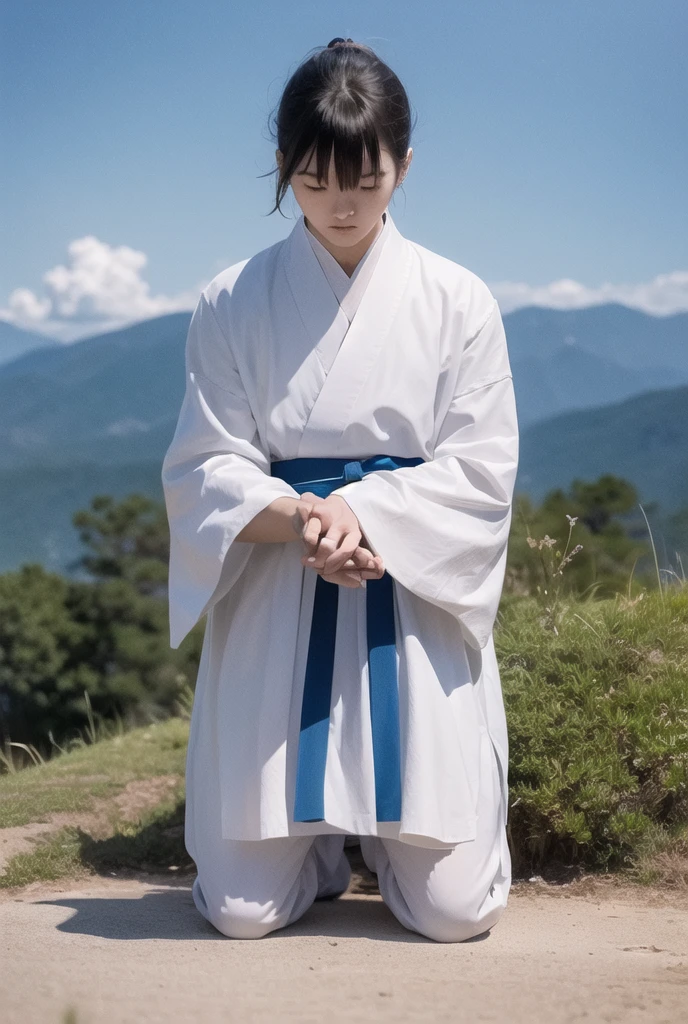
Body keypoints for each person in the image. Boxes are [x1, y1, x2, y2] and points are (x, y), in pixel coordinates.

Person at [161, 37, 519, 943]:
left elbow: (481, 471)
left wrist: (366, 515)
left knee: (453, 915)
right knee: (241, 914)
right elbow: (207, 462)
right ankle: (321, 847)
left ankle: (389, 838)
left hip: (412, 590)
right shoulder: (230, 300)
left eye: (366, 178)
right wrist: (304, 517)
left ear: (405, 164)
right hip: (285, 571)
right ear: (285, 167)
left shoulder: (458, 300)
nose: (342, 204)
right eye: (317, 180)